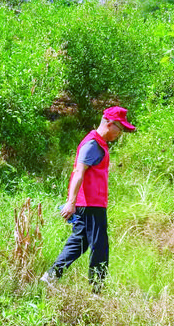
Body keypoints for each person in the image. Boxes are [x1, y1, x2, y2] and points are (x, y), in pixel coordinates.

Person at [41, 106, 135, 293]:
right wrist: (71, 201)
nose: (120, 133)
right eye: (120, 128)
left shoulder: (98, 143)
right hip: (91, 204)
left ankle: (51, 276)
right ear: (110, 124)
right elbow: (78, 172)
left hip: (91, 203)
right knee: (100, 246)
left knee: (79, 242)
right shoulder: (93, 144)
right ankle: (97, 290)